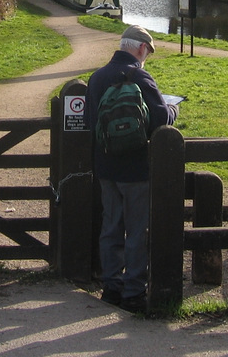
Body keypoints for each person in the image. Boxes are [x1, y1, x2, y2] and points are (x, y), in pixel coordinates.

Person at [85, 24, 179, 313]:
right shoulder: (139, 76)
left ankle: (112, 286)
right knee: (137, 230)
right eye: (147, 52)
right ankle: (134, 291)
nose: (146, 57)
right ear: (141, 48)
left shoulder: (97, 78)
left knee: (111, 226)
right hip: (137, 168)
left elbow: (91, 121)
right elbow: (160, 118)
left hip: (106, 166)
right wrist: (174, 108)